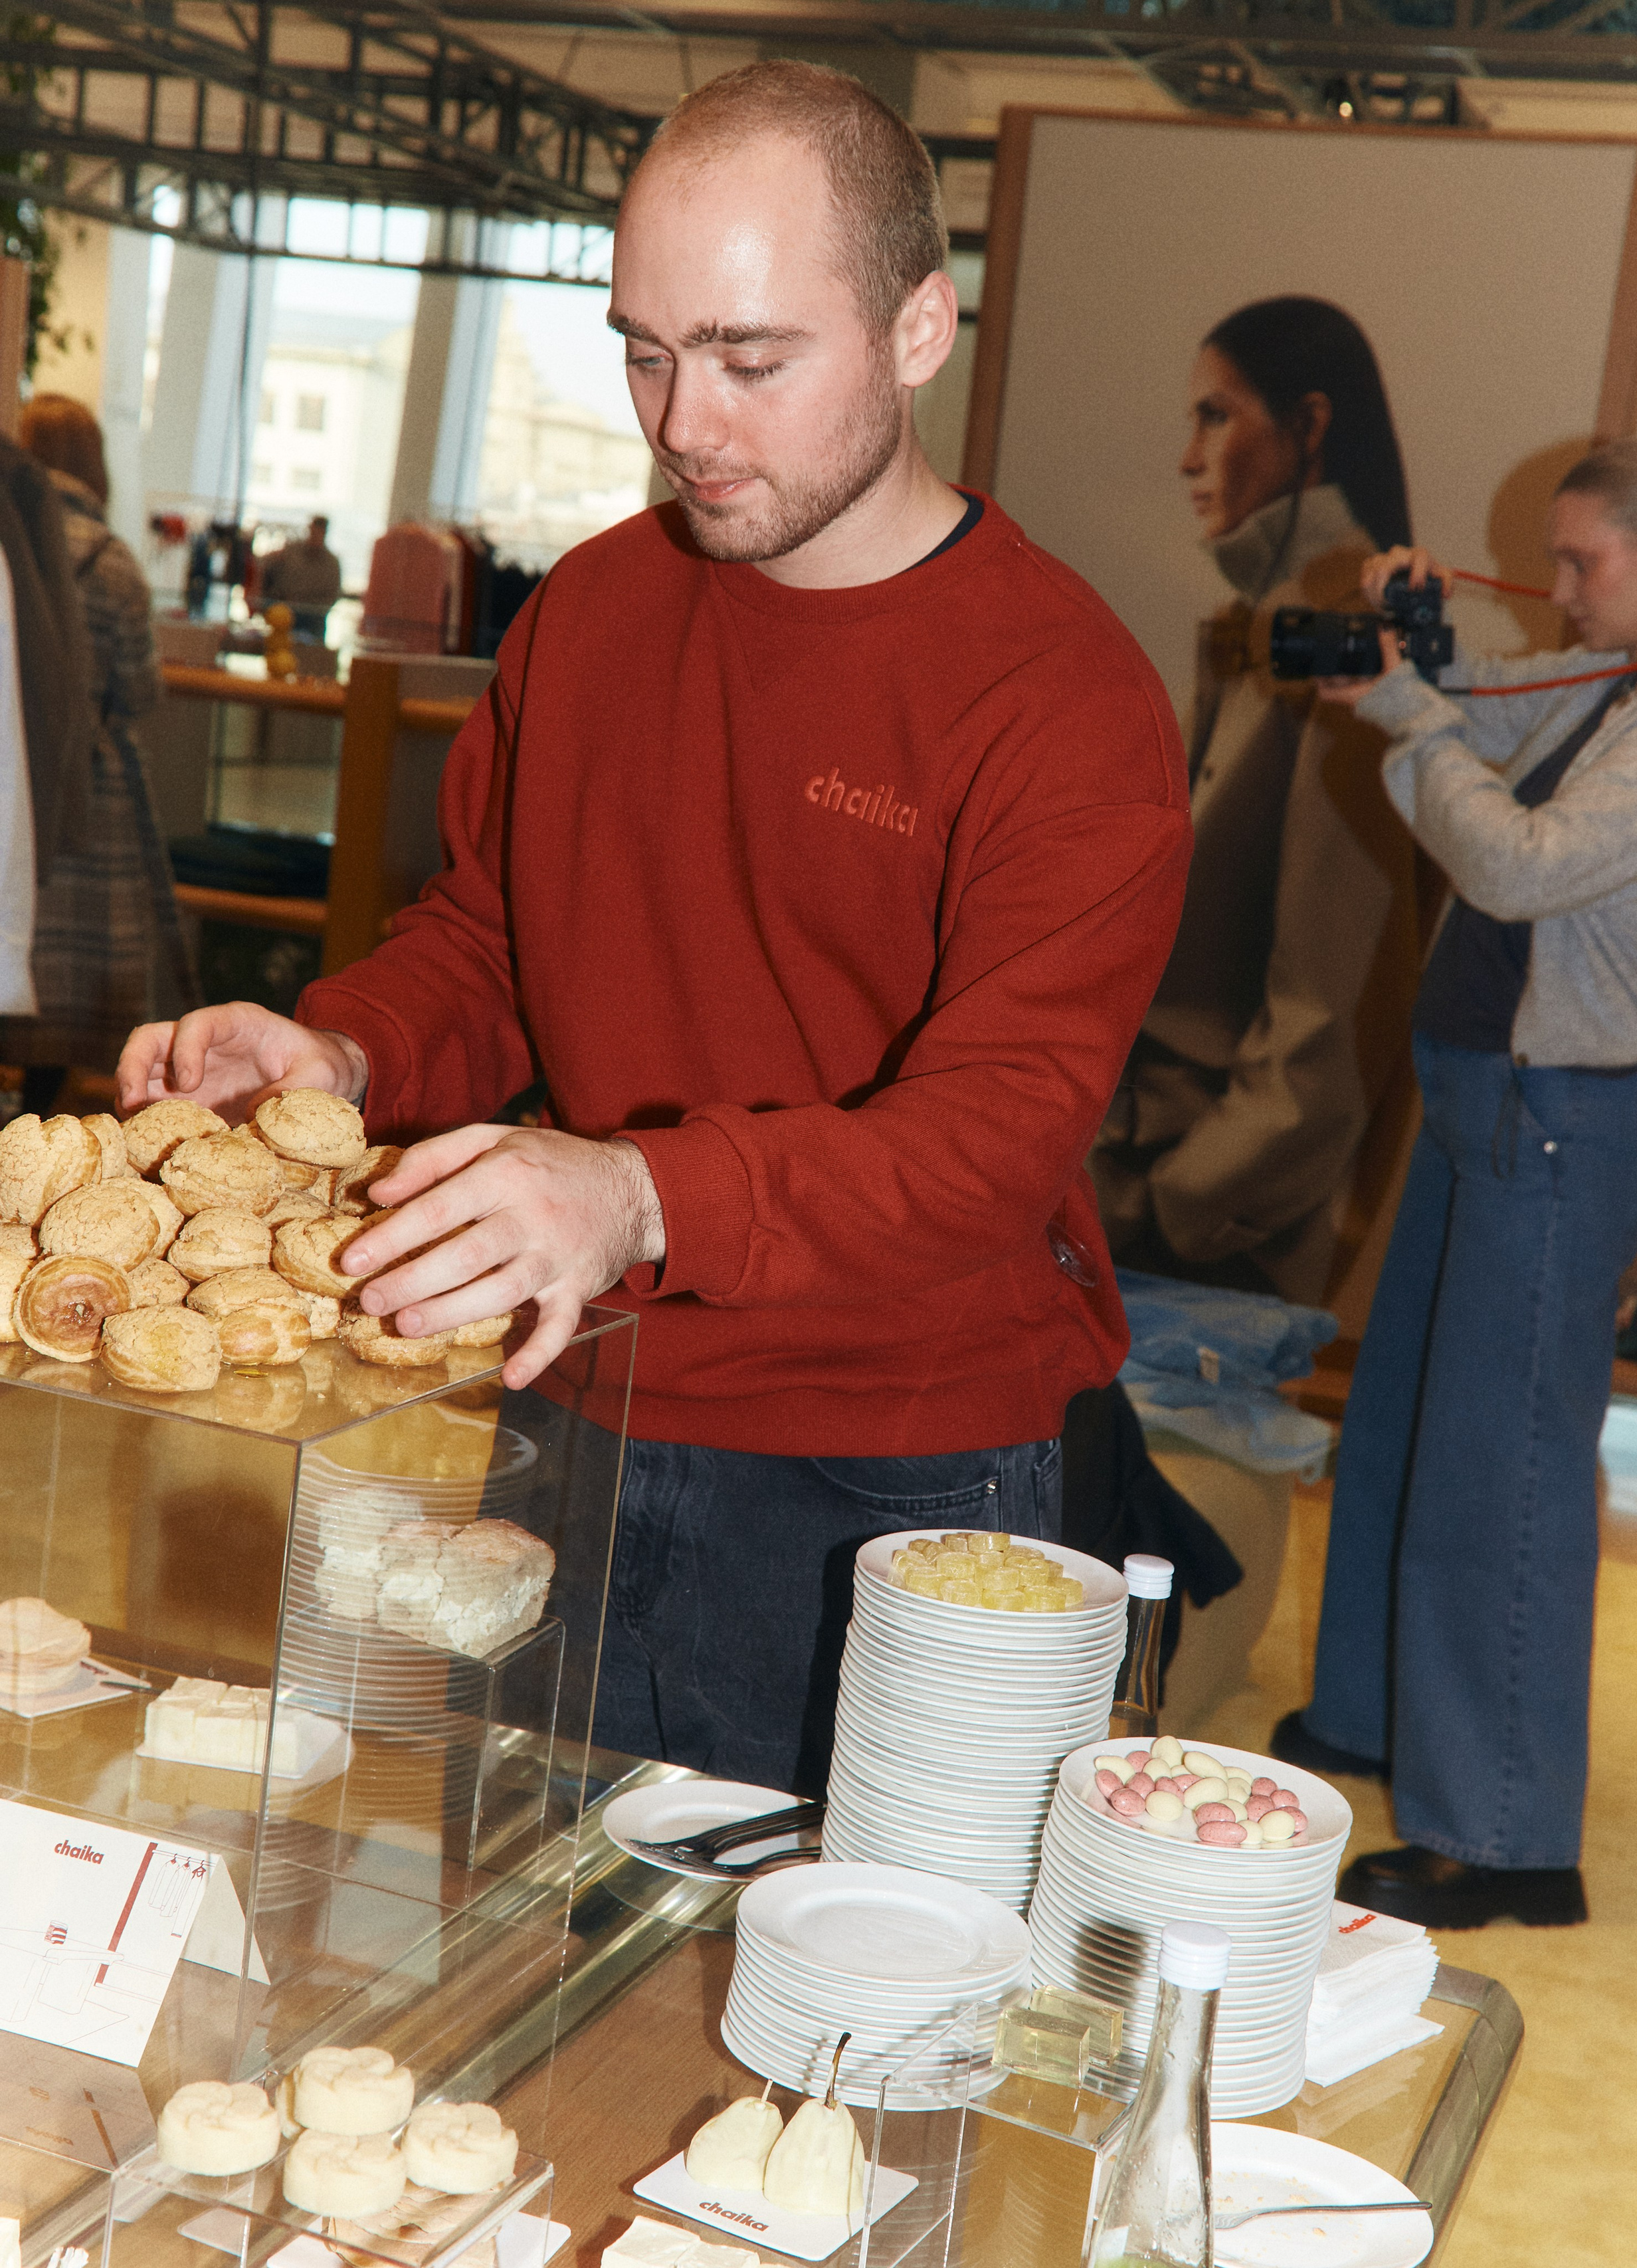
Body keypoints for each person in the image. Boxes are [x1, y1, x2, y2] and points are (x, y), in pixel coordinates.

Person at [116, 62, 1191, 1794]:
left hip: (896, 1462)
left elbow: (996, 1133)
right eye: (644, 347)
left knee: (849, 2018)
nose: (686, 419)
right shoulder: (600, 610)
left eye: (754, 358)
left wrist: (634, 1190)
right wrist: (347, 1044)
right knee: (525, 1965)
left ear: (922, 328)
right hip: (583, 1401)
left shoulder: (1061, 697)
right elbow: (502, 934)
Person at [1274, 437, 1637, 1928]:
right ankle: (1381, 1717)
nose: (1560, 585)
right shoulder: (1613, 684)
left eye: (1581, 562)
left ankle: (1505, 1832)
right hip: (1486, 1096)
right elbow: (1477, 729)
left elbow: (1515, 862)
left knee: (1499, 1475)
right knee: (1395, 1426)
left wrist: (1404, 710)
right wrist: (1415, 656)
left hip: (1566, 1116)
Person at [1092, 298, 1426, 1302]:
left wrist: (1178, 1205)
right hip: (1155, 1189)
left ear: (1311, 426)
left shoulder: (1348, 643)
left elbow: (1331, 1006)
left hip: (1201, 1222)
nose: (1187, 458)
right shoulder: (1267, 625)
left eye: (1216, 417)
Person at [0, 395, 196, 1116]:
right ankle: (43, 1118)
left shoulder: (9, 532)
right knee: (74, 978)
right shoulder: (112, 562)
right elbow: (140, 690)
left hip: (13, 785)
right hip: (97, 791)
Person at [260, 516, 341, 641]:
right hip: (285, 613)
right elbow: (269, 573)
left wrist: (312, 605)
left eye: (319, 533)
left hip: (314, 618)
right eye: (313, 532)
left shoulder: (332, 563)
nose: (314, 536)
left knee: (311, 651)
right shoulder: (292, 552)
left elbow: (332, 595)